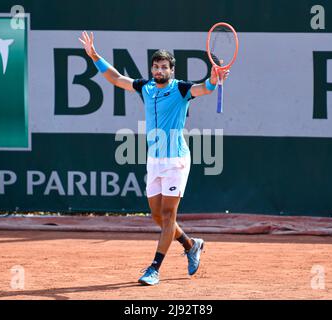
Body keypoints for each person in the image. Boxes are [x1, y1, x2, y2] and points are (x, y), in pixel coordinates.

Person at [79, 31, 228, 286]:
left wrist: (213, 81)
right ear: (152, 69)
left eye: (164, 67)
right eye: (156, 67)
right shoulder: (145, 87)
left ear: (171, 70)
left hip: (176, 161)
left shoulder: (181, 89)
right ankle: (192, 245)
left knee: (169, 215)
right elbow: (116, 78)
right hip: (154, 160)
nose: (159, 70)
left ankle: (154, 268)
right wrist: (95, 57)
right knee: (158, 217)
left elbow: (203, 89)